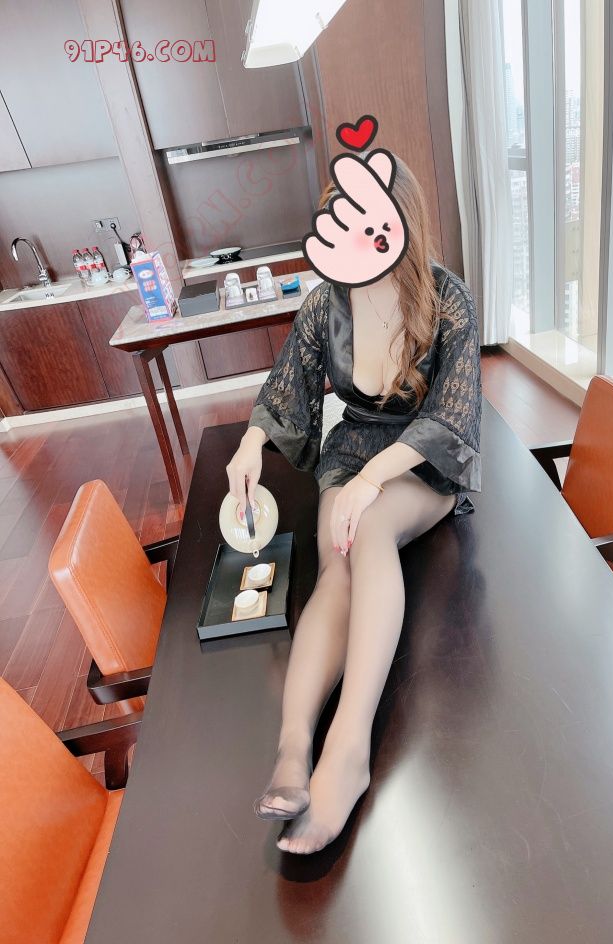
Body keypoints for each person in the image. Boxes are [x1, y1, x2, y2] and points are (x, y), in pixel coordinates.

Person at [226, 152, 482, 855]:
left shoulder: (446, 298)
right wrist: (250, 445)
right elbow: (288, 381)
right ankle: (293, 746)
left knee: (366, 532)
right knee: (336, 565)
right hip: (353, 449)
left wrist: (373, 482)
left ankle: (348, 748)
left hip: (419, 462)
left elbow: (454, 417)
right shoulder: (326, 303)